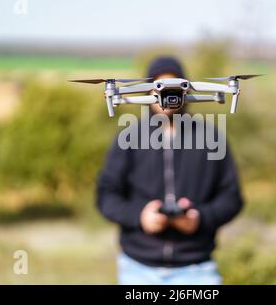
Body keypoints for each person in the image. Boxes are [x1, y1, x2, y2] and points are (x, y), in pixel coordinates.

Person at [97, 56, 244, 285]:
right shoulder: (129, 137)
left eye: (173, 87)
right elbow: (106, 195)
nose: (166, 95)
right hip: (138, 269)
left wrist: (200, 218)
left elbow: (231, 197)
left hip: (196, 269)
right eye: (158, 87)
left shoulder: (211, 138)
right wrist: (140, 217)